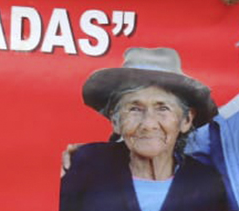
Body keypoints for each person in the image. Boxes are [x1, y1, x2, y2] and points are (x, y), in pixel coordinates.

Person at [60, 47, 227, 211]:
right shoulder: (87, 165)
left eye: (162, 108)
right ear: (116, 121)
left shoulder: (206, 183)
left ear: (186, 120)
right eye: (134, 109)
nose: (148, 124)